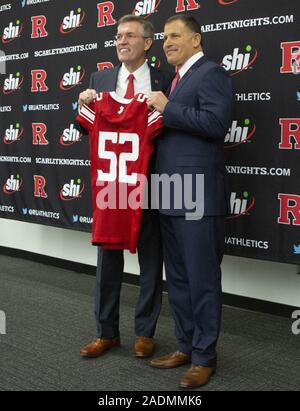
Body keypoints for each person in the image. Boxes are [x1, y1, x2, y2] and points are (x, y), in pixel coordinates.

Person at [77, 15, 173, 359]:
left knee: (151, 258)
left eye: (129, 36)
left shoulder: (167, 79)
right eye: (118, 36)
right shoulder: (99, 79)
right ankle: (106, 332)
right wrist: (83, 104)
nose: (121, 41)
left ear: (147, 43)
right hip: (112, 185)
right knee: (108, 260)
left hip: (152, 180)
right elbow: (87, 130)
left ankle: (145, 332)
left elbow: (172, 129)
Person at [146, 15, 233, 388]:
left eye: (174, 36)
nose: (166, 42)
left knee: (201, 278)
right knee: (178, 278)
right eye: (164, 37)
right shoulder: (175, 80)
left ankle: (204, 356)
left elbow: (216, 124)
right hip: (169, 191)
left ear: (196, 39)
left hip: (198, 192)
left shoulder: (211, 73)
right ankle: (186, 345)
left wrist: (167, 107)